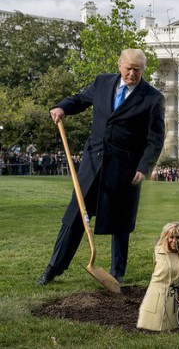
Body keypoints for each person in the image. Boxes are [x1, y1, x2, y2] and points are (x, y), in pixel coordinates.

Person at [37, 49, 166, 286]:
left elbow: (155, 139)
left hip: (125, 169)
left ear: (143, 70)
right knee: (75, 216)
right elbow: (79, 99)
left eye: (137, 69)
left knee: (120, 222)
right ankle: (54, 267)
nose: (132, 73)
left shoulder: (152, 98)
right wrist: (62, 107)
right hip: (93, 163)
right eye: (128, 68)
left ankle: (117, 273)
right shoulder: (102, 82)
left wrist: (144, 167)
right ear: (119, 66)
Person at [137, 222, 179, 331]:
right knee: (151, 327)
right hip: (156, 295)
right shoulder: (158, 252)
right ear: (166, 237)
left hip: (173, 298)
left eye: (178, 238)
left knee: (171, 328)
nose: (174, 241)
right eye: (171, 237)